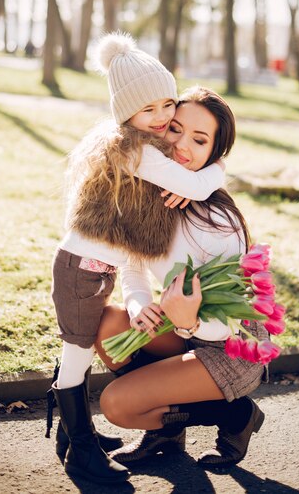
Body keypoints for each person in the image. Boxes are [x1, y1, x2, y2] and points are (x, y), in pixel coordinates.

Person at [49, 34, 226, 485]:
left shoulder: (144, 144)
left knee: (81, 350)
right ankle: (82, 454)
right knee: (74, 356)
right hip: (78, 272)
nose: (163, 117)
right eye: (148, 110)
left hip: (94, 273)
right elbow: (197, 185)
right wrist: (220, 166)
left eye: (167, 104)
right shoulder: (137, 148)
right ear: (126, 114)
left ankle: (73, 435)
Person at [95, 86, 268, 470]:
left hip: (230, 346)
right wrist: (140, 307)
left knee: (117, 404)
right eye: (175, 129)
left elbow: (226, 327)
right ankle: (168, 433)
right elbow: (132, 265)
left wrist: (187, 320)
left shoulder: (217, 222)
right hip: (184, 325)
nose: (181, 146)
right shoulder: (148, 192)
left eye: (199, 139)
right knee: (108, 323)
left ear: (213, 154)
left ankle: (236, 416)